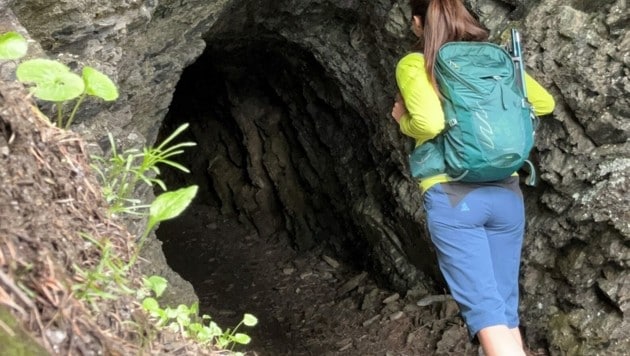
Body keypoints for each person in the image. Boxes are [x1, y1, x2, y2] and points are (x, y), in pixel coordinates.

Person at [391, 1, 555, 355]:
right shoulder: (496, 60)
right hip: (507, 193)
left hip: (454, 196)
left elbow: (430, 122)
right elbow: (543, 104)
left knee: (486, 315)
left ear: (418, 23)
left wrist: (402, 119)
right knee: (503, 312)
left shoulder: (415, 63)